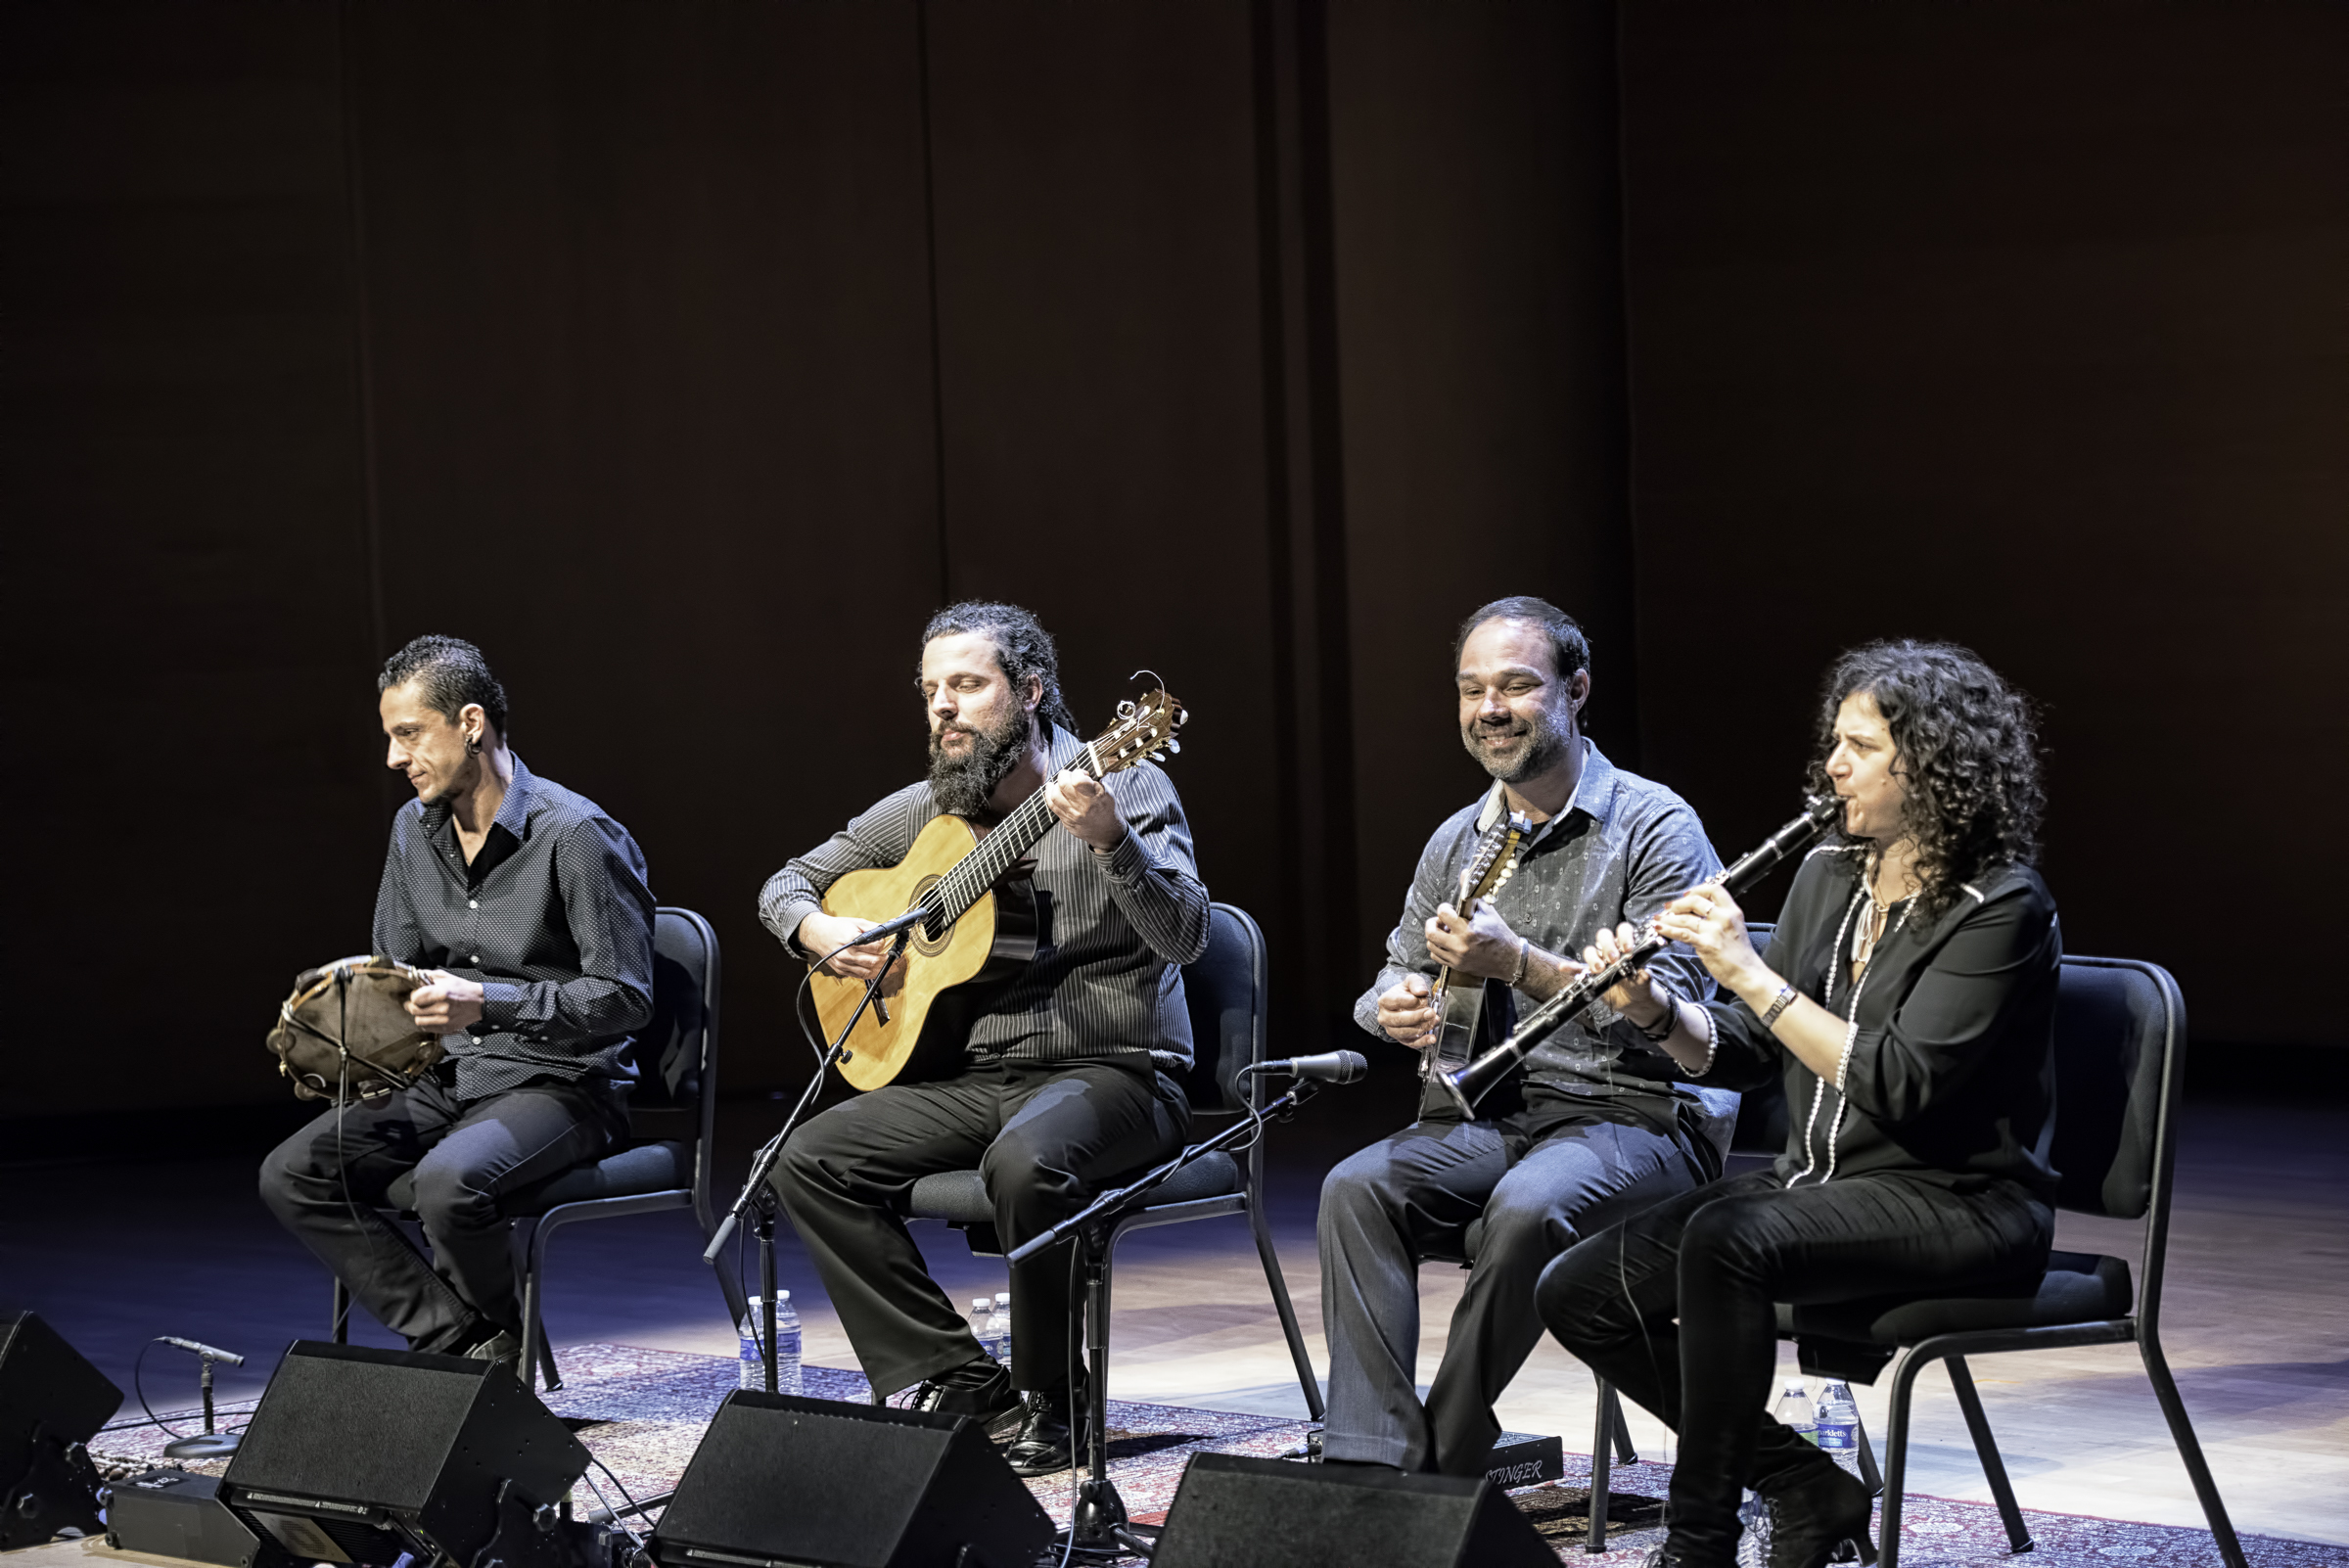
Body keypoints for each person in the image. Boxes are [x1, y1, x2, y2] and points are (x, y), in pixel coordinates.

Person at [1538, 640, 2057, 1568]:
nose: (1833, 766)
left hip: (1958, 1202)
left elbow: (1897, 1081)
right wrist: (1652, 1007)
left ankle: (1699, 1541)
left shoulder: (2002, 906)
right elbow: (1741, 1053)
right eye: (1835, 741)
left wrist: (1744, 971)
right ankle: (1804, 1482)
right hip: (1815, 1186)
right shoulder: (1830, 875)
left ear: (1931, 766)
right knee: (1579, 1292)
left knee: (1731, 1239)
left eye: (1860, 747)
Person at [758, 602, 1207, 1476]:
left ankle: (1054, 1398)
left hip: (1119, 1074)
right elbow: (786, 883)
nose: (943, 707)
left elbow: (1188, 934)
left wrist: (1112, 843)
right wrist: (823, 935)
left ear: (1031, 691)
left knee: (1023, 1163)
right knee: (807, 1157)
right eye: (931, 689)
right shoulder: (930, 811)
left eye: (966, 685)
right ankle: (958, 1377)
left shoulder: (1126, 782)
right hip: (985, 1079)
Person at [1316, 597, 1729, 1477]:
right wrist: (1391, 1007)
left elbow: (1684, 1023)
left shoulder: (1654, 826)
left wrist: (1523, 965)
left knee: (1530, 1206)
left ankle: (1443, 1455)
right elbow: (1392, 972)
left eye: (1516, 686)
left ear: (1577, 691)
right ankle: (1371, 1456)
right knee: (1355, 1189)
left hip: (1638, 1115)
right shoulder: (1457, 840)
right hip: (1490, 1113)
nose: (1489, 709)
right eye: (1471, 690)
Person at [260, 635, 656, 1366]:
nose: (393, 757)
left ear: (470, 723)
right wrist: (349, 1018)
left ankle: (490, 1378)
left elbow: (625, 998)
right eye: (390, 736)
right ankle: (472, 1345)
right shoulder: (414, 829)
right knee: (294, 1172)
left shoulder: (574, 834)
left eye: (408, 734)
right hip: (445, 1077)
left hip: (562, 1084)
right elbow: (398, 970)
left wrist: (492, 1003)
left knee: (448, 1185)